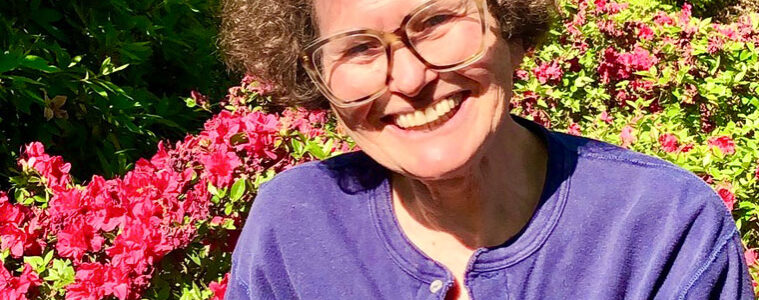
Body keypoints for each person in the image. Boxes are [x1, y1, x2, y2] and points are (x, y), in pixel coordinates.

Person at [220, 0, 754, 298]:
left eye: (435, 23)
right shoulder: (293, 227)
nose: (408, 79)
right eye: (358, 49)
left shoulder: (659, 227)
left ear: (509, 24)